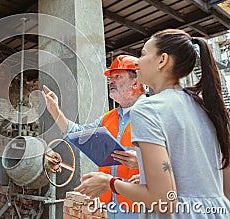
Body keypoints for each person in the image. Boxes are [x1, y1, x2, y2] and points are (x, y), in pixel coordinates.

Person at [74, 29, 230, 218]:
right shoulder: (208, 107)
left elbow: (164, 202)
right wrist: (149, 178)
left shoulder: (147, 109)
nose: (137, 62)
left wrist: (109, 183)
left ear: (162, 60)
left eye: (143, 54)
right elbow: (219, 182)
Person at [42, 55, 145, 219]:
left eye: (118, 76)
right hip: (110, 204)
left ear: (136, 81)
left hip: (142, 206)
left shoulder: (153, 113)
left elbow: (175, 160)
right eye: (111, 78)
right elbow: (78, 135)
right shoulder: (108, 119)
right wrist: (54, 110)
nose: (111, 81)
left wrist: (141, 160)